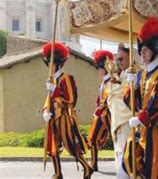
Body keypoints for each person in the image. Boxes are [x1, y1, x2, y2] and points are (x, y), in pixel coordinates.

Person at [122, 16, 158, 179]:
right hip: (139, 128)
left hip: (153, 129)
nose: (141, 53)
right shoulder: (139, 75)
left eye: (145, 50)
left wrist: (142, 118)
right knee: (128, 162)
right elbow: (130, 102)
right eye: (141, 50)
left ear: (154, 50)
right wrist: (131, 86)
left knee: (154, 170)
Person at [42, 42, 93, 179]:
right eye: (48, 63)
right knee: (52, 145)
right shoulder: (52, 79)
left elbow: (71, 100)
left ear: (58, 63)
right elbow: (49, 98)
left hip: (64, 116)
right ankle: (58, 173)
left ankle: (87, 167)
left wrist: (55, 90)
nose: (49, 66)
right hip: (53, 116)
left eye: (51, 63)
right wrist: (46, 110)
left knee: (70, 145)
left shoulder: (66, 78)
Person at [105, 45, 134, 179]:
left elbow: (124, 93)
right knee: (119, 156)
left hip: (127, 120)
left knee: (127, 158)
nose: (119, 62)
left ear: (130, 57)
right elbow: (110, 92)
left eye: (121, 58)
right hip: (117, 120)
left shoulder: (134, 73)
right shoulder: (119, 75)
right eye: (117, 59)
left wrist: (115, 88)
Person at [88, 50, 114, 171]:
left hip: (109, 115)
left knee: (117, 139)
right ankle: (94, 163)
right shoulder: (102, 83)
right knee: (93, 138)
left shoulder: (111, 82)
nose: (98, 70)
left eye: (99, 67)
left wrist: (101, 107)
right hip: (100, 115)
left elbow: (109, 98)